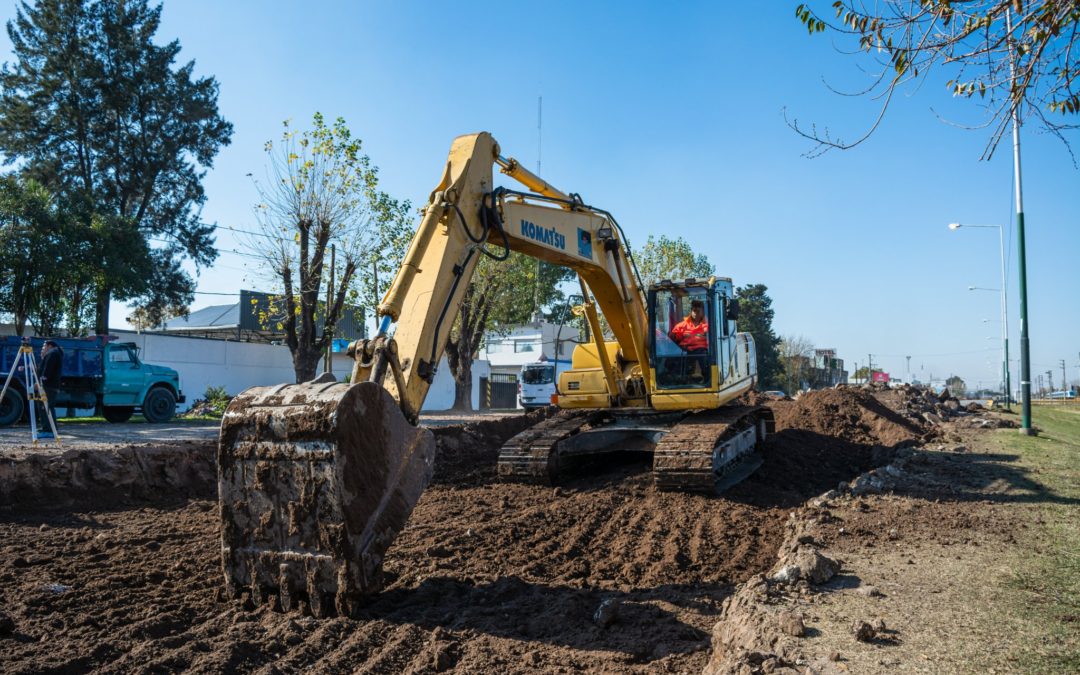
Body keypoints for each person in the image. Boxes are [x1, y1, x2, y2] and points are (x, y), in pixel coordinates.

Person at [668, 299, 709, 382]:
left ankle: (706, 378)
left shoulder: (708, 325)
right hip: (685, 350)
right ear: (691, 311)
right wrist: (673, 336)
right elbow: (674, 338)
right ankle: (678, 377)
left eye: (698, 311)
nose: (695, 313)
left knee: (703, 357)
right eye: (694, 311)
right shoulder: (682, 325)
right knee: (673, 359)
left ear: (703, 312)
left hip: (702, 351)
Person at [37, 340, 63, 435]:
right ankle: (47, 428)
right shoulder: (54, 353)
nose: (43, 349)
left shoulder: (52, 354)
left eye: (44, 347)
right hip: (50, 385)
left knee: (45, 407)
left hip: (48, 386)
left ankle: (48, 430)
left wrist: (42, 381)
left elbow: (47, 370)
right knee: (46, 407)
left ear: (49, 346)